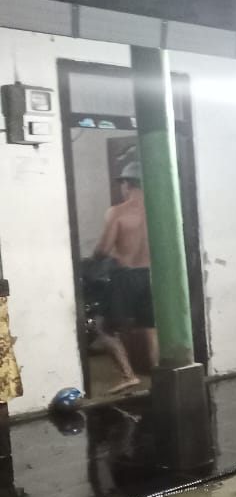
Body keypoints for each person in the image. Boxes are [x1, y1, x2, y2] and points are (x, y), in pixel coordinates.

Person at [92, 159, 157, 394]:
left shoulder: (118, 212)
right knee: (151, 328)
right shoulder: (158, 210)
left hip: (125, 276)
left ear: (127, 184)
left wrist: (94, 260)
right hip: (151, 274)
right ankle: (160, 374)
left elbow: (103, 250)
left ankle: (128, 375)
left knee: (104, 328)